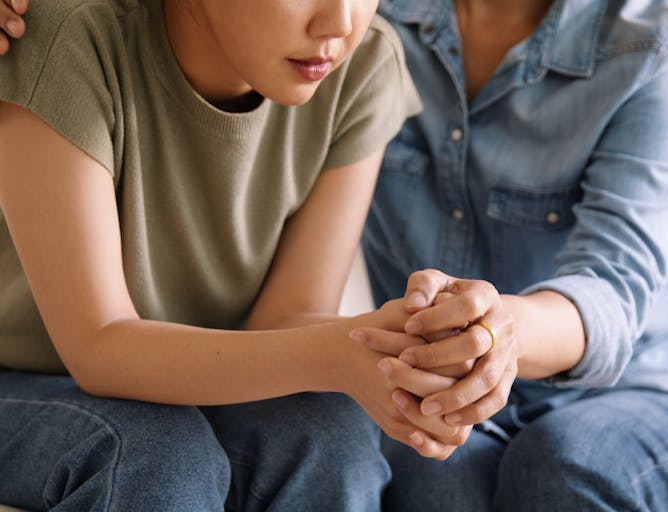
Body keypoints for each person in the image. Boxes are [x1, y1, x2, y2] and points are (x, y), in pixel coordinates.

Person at [0, 0, 474, 510]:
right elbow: (98, 346)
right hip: (21, 380)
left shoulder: (363, 63)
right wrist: (335, 353)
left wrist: (398, 342)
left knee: (329, 432)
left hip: (191, 386)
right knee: (150, 451)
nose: (339, 23)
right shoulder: (69, 33)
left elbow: (286, 317)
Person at [349, 0, 668, 510]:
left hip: (644, 388)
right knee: (438, 484)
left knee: (564, 467)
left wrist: (497, 328)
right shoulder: (364, 21)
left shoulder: (654, 46)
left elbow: (613, 283)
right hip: (444, 395)